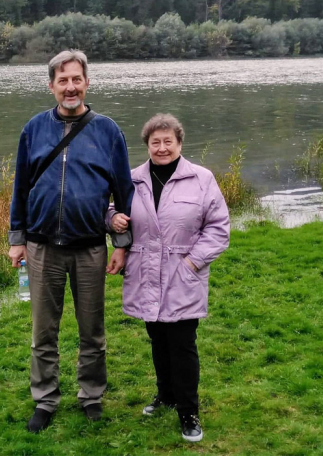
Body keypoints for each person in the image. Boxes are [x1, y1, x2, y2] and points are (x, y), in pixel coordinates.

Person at [8, 50, 134, 433]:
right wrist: (17, 239)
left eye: (76, 79)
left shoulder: (108, 131)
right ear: (51, 86)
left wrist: (121, 243)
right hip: (41, 247)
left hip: (90, 248)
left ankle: (91, 395)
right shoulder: (33, 129)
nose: (70, 87)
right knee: (43, 332)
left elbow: (123, 191)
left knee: (91, 330)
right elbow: (20, 188)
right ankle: (45, 399)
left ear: (87, 83)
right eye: (63, 81)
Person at [107, 113, 230, 443]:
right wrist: (112, 219)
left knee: (182, 344)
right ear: (147, 145)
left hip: (182, 275)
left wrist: (192, 263)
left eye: (168, 142)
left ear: (179, 143)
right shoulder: (132, 179)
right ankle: (166, 394)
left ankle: (189, 412)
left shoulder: (202, 179)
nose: (162, 148)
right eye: (155, 142)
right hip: (146, 274)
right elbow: (112, 210)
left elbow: (218, 229)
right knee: (158, 339)